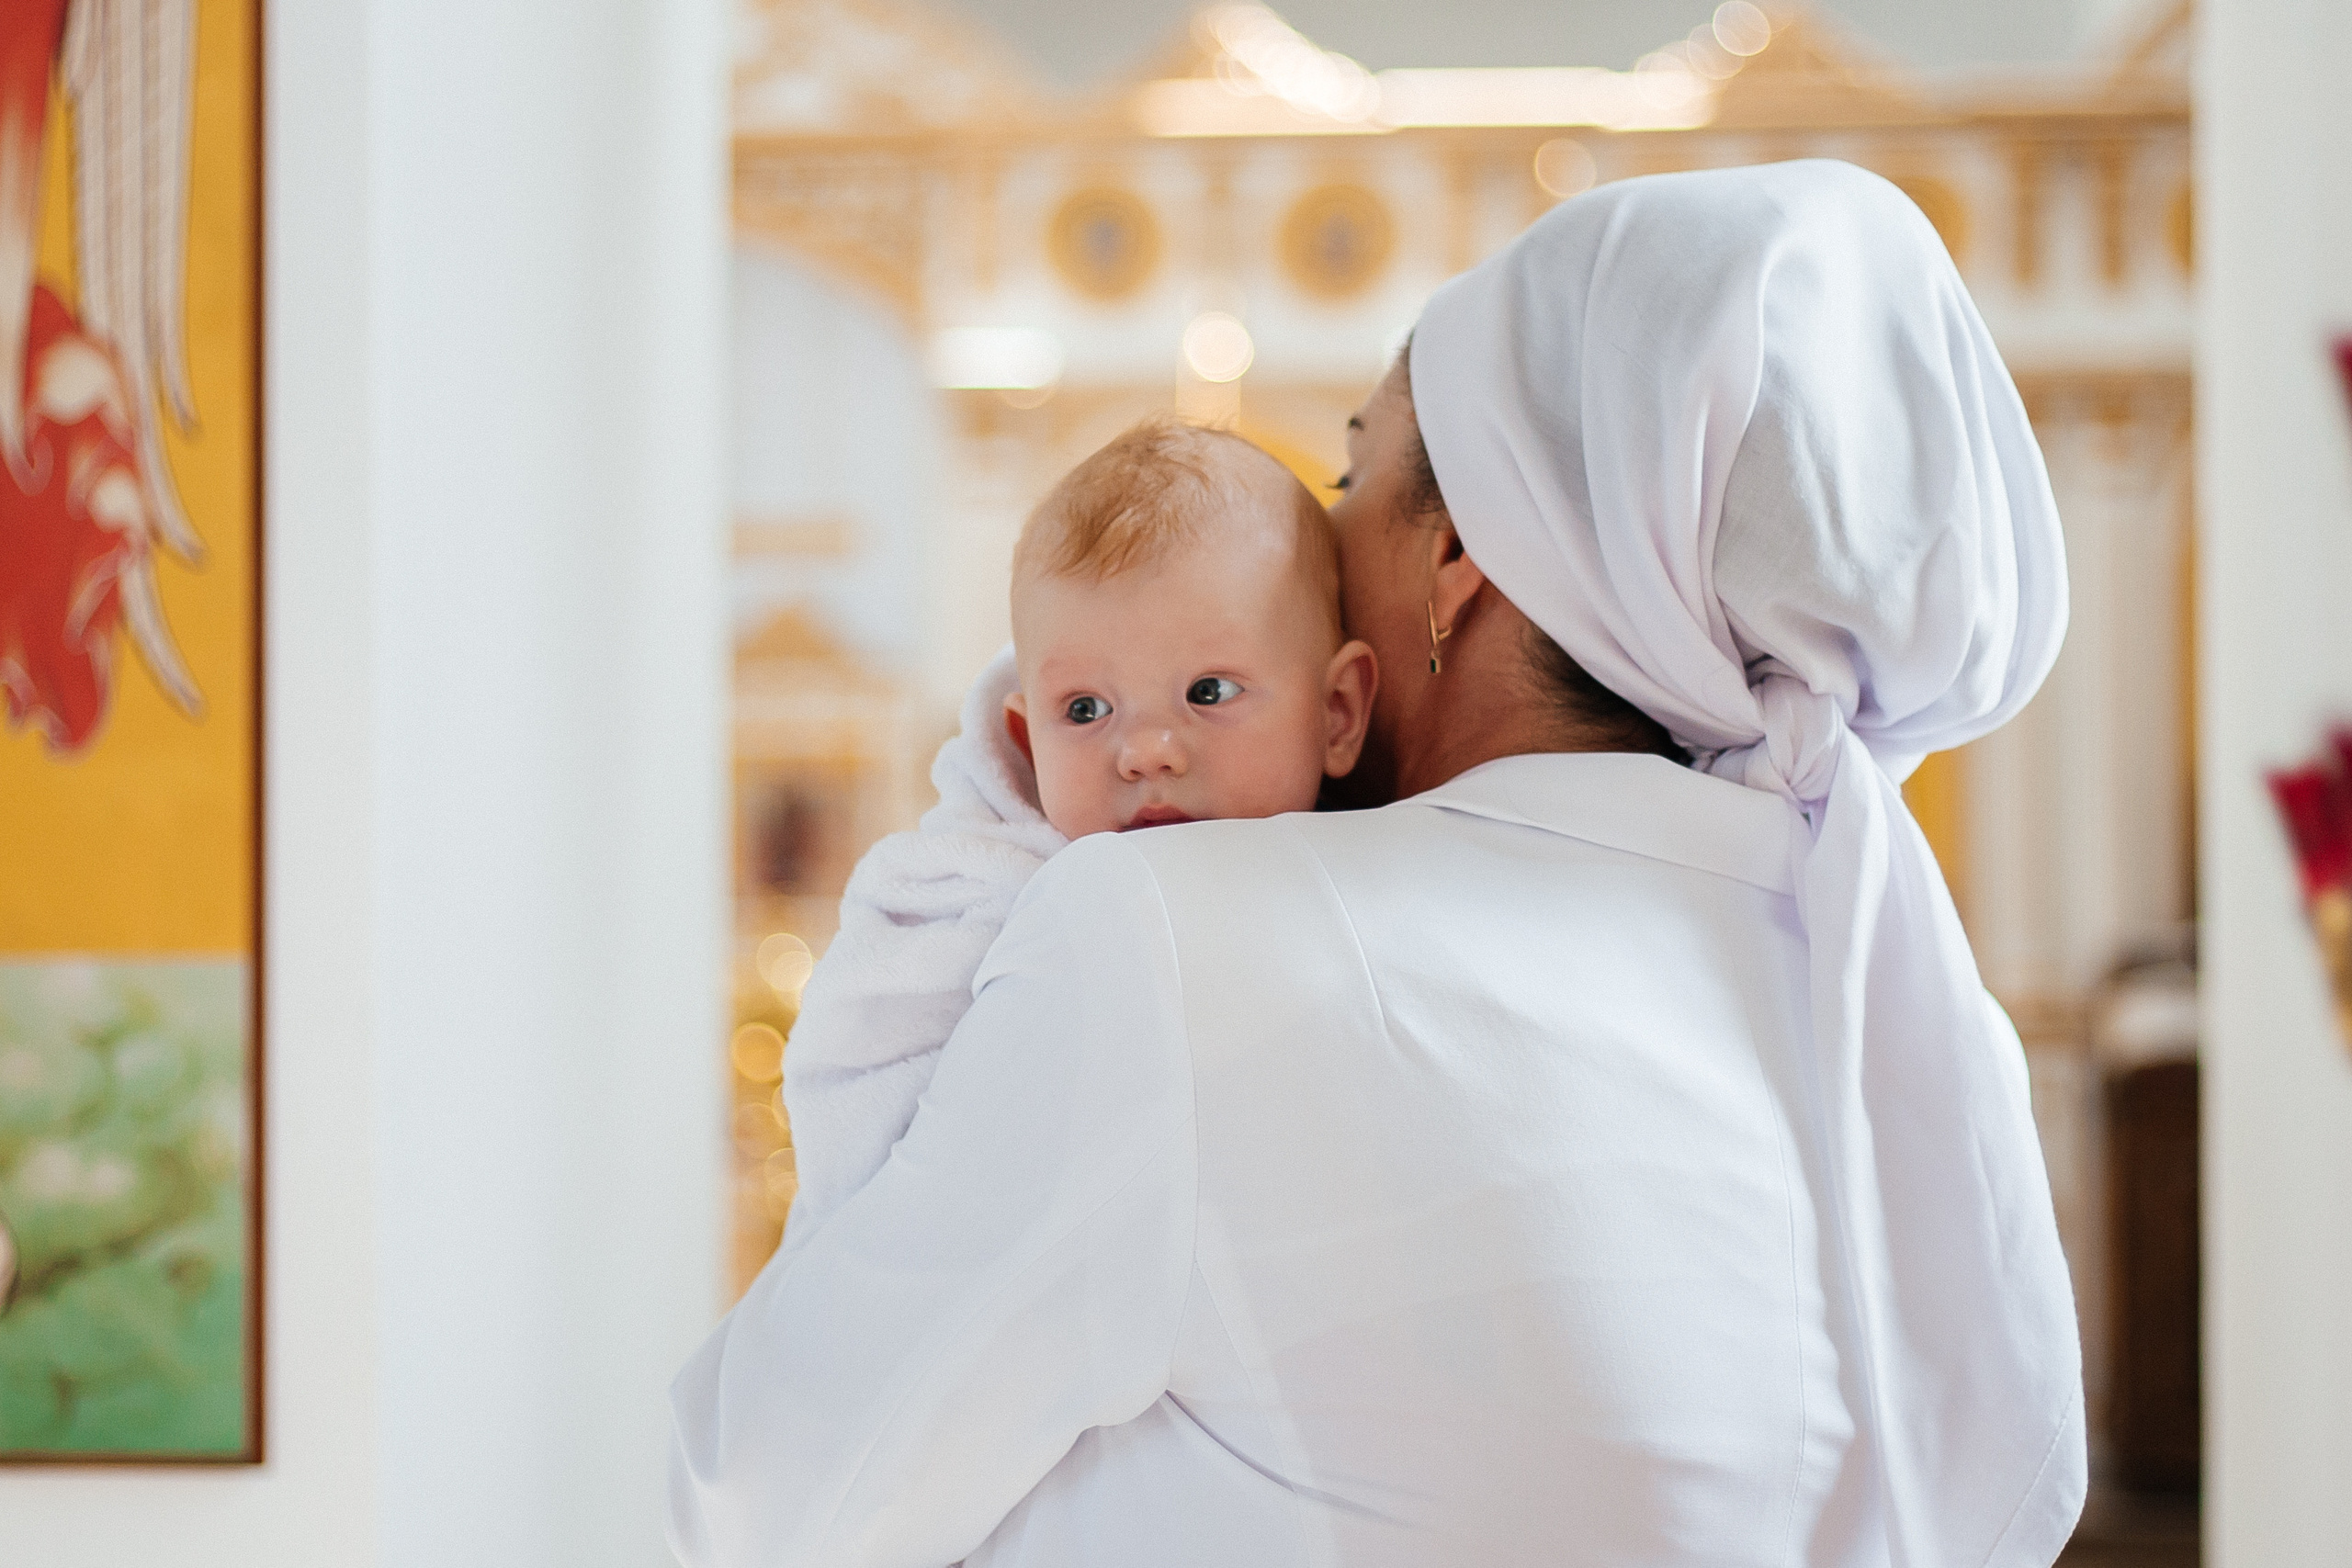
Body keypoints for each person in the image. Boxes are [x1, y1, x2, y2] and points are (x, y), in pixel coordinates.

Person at [668, 159, 2086, 1568]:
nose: (1319, 530)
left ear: (1456, 556)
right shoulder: (1866, 990)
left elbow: (760, 1498)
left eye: (1353, 472)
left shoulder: (1169, 936)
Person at [775, 420, 1374, 1258]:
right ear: (1026, 741)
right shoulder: (979, 893)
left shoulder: (1384, 886)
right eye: (1086, 710)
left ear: (1336, 713)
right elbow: (868, 1077)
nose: (1145, 751)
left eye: (1208, 691)